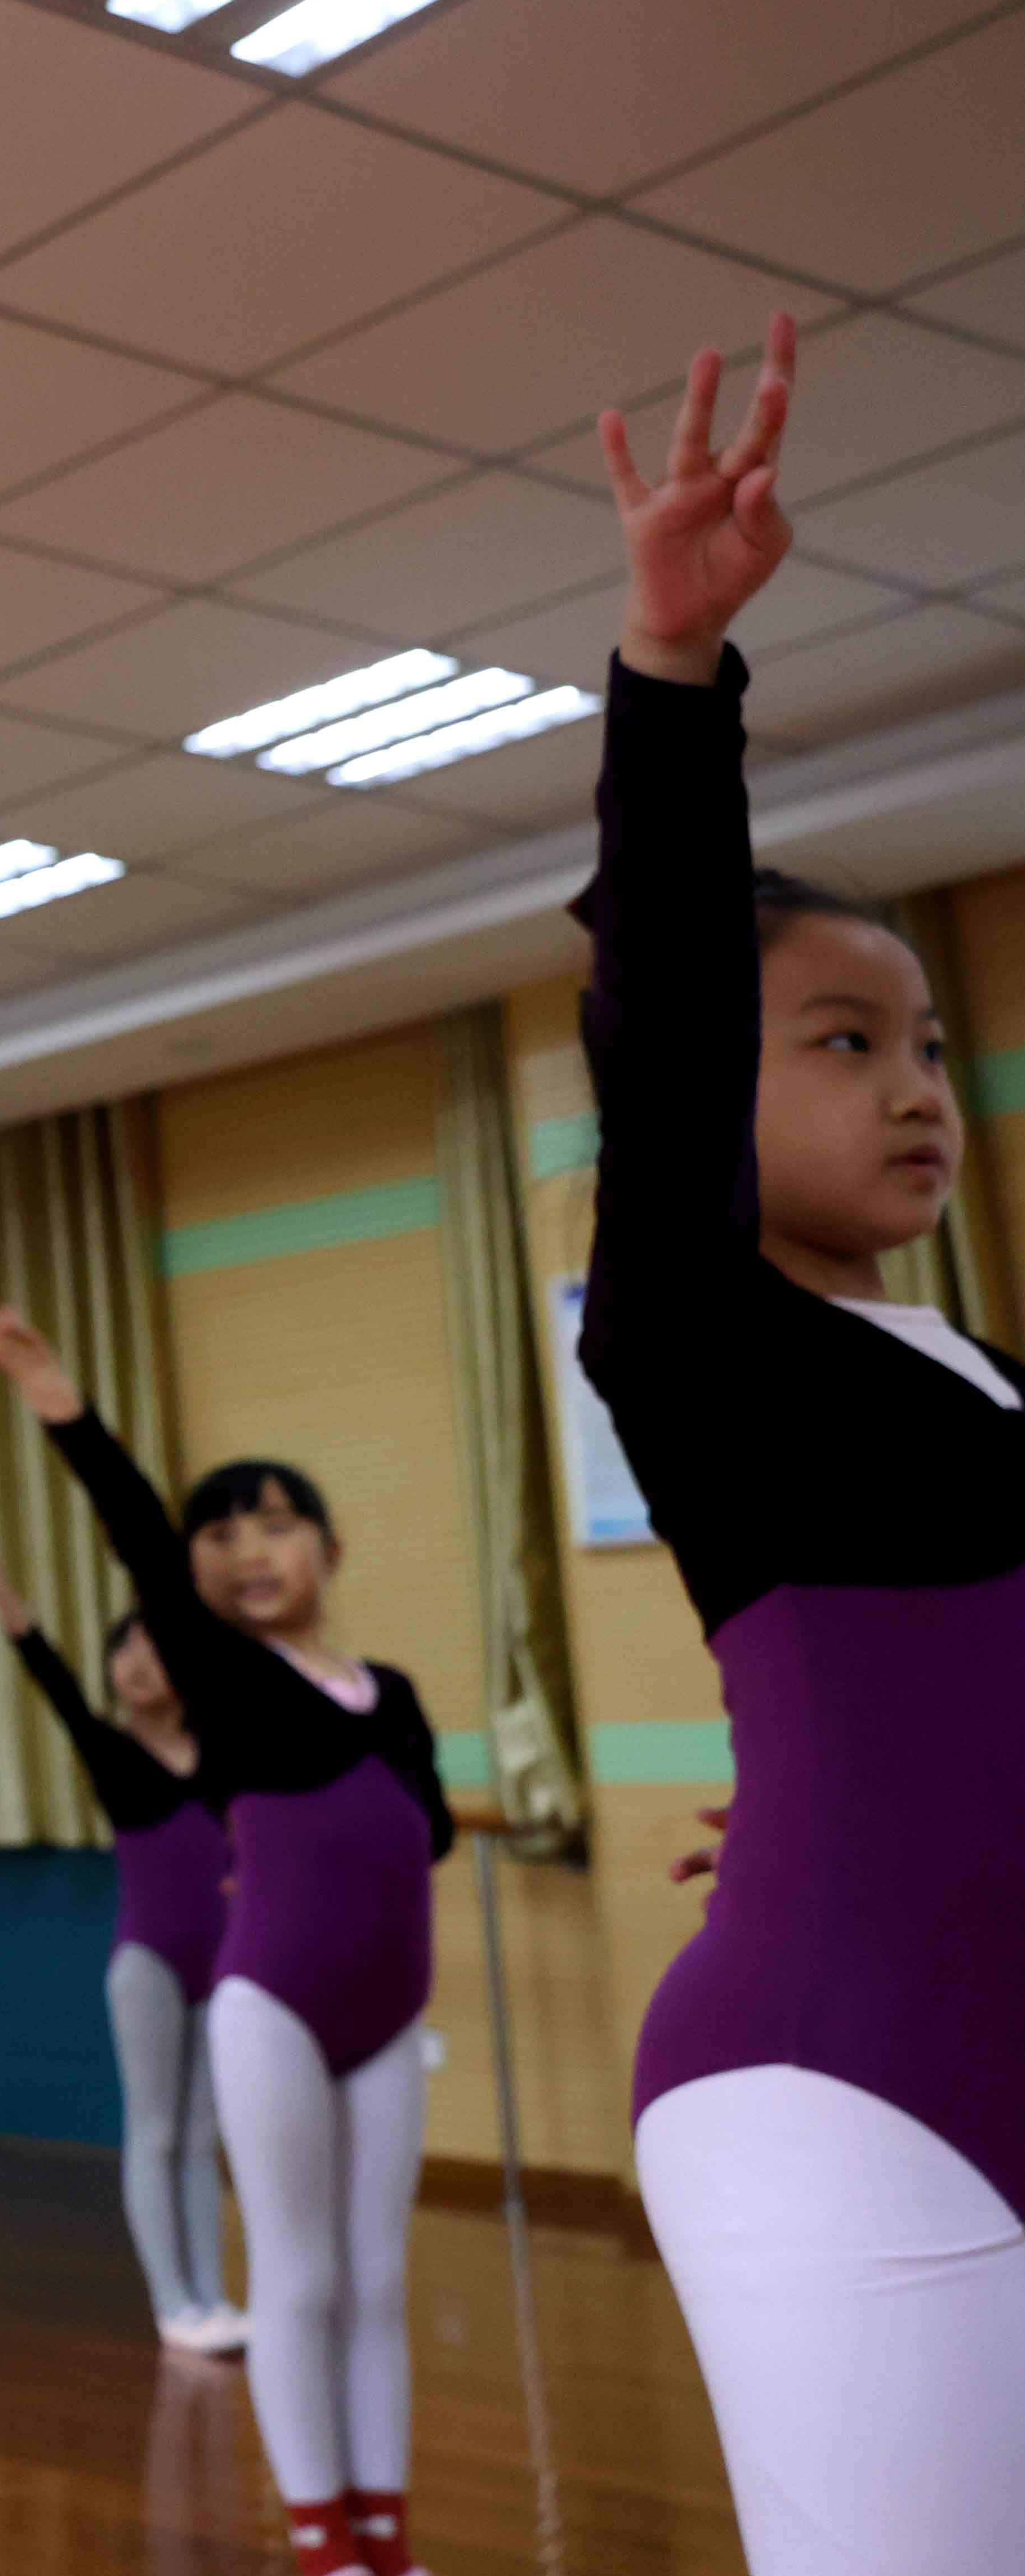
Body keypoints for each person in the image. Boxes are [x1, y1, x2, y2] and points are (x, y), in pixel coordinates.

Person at [579, 314, 1024, 2574]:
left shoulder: (979, 1375)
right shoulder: (703, 1342)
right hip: (846, 2093)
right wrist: (676, 671)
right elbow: (655, 1027)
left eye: (928, 1041)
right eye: (843, 1040)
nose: (917, 1086)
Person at [0, 1294, 449, 2576]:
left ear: (330, 1542)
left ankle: (387, 2532)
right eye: (220, 1534)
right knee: (295, 2273)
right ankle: (321, 2532)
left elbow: (429, 1828)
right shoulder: (222, 1676)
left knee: (376, 2277)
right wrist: (55, 1393)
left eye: (276, 1522)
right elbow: (131, 1529)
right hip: (271, 1997)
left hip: (390, 2007)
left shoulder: (390, 1691)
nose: (249, 1548)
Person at [0, 1524, 239, 2357]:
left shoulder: (223, 1753)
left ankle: (212, 2295)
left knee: (200, 2134)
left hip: (220, 1966)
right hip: (147, 1961)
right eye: (124, 1653)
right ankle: (170, 2302)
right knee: (153, 2129)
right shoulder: (110, 1750)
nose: (136, 1664)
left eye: (153, 1649)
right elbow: (49, 1673)